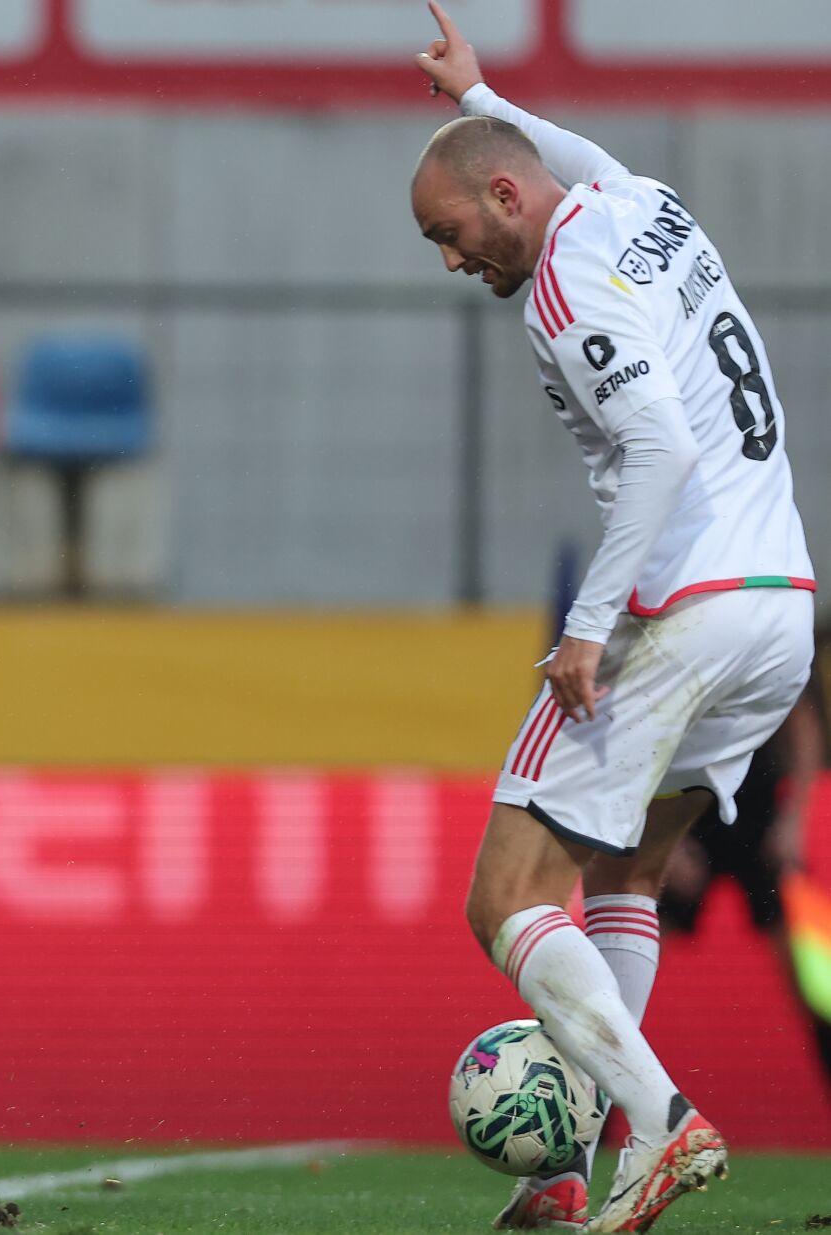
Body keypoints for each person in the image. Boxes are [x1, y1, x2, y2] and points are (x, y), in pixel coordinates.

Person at [411, 4, 815, 1231]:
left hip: (681, 604)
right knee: (628, 868)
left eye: (452, 232)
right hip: (780, 607)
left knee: (506, 895)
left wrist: (586, 625)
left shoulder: (564, 287)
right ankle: (576, 1166)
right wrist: (480, 94)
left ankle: (657, 1116)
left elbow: (658, 450)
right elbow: (560, 151)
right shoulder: (637, 202)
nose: (451, 260)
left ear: (501, 196)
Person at [661, 634, 831, 1092]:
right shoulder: (682, 632)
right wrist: (663, 838)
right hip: (687, 819)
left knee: (817, 982)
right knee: (624, 961)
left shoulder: (772, 629)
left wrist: (794, 820)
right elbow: (650, 732)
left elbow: (804, 722)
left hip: (760, 822)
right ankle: (592, 1121)